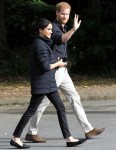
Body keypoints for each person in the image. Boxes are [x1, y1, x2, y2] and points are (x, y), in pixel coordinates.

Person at [25, 2, 105, 143]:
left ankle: (88, 130)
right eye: (63, 13)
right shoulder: (54, 27)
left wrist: (71, 29)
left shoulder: (63, 27)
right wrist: (74, 29)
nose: (65, 16)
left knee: (74, 97)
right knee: (42, 102)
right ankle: (32, 132)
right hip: (54, 70)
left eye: (67, 14)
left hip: (63, 70)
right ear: (57, 13)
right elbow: (61, 40)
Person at [10, 18, 86, 149]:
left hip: (48, 83)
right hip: (42, 83)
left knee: (60, 107)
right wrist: (58, 64)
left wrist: (55, 60)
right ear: (41, 30)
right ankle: (16, 138)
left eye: (51, 29)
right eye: (49, 29)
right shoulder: (39, 44)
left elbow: (46, 59)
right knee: (31, 110)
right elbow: (45, 66)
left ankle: (69, 139)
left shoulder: (44, 42)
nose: (51, 32)